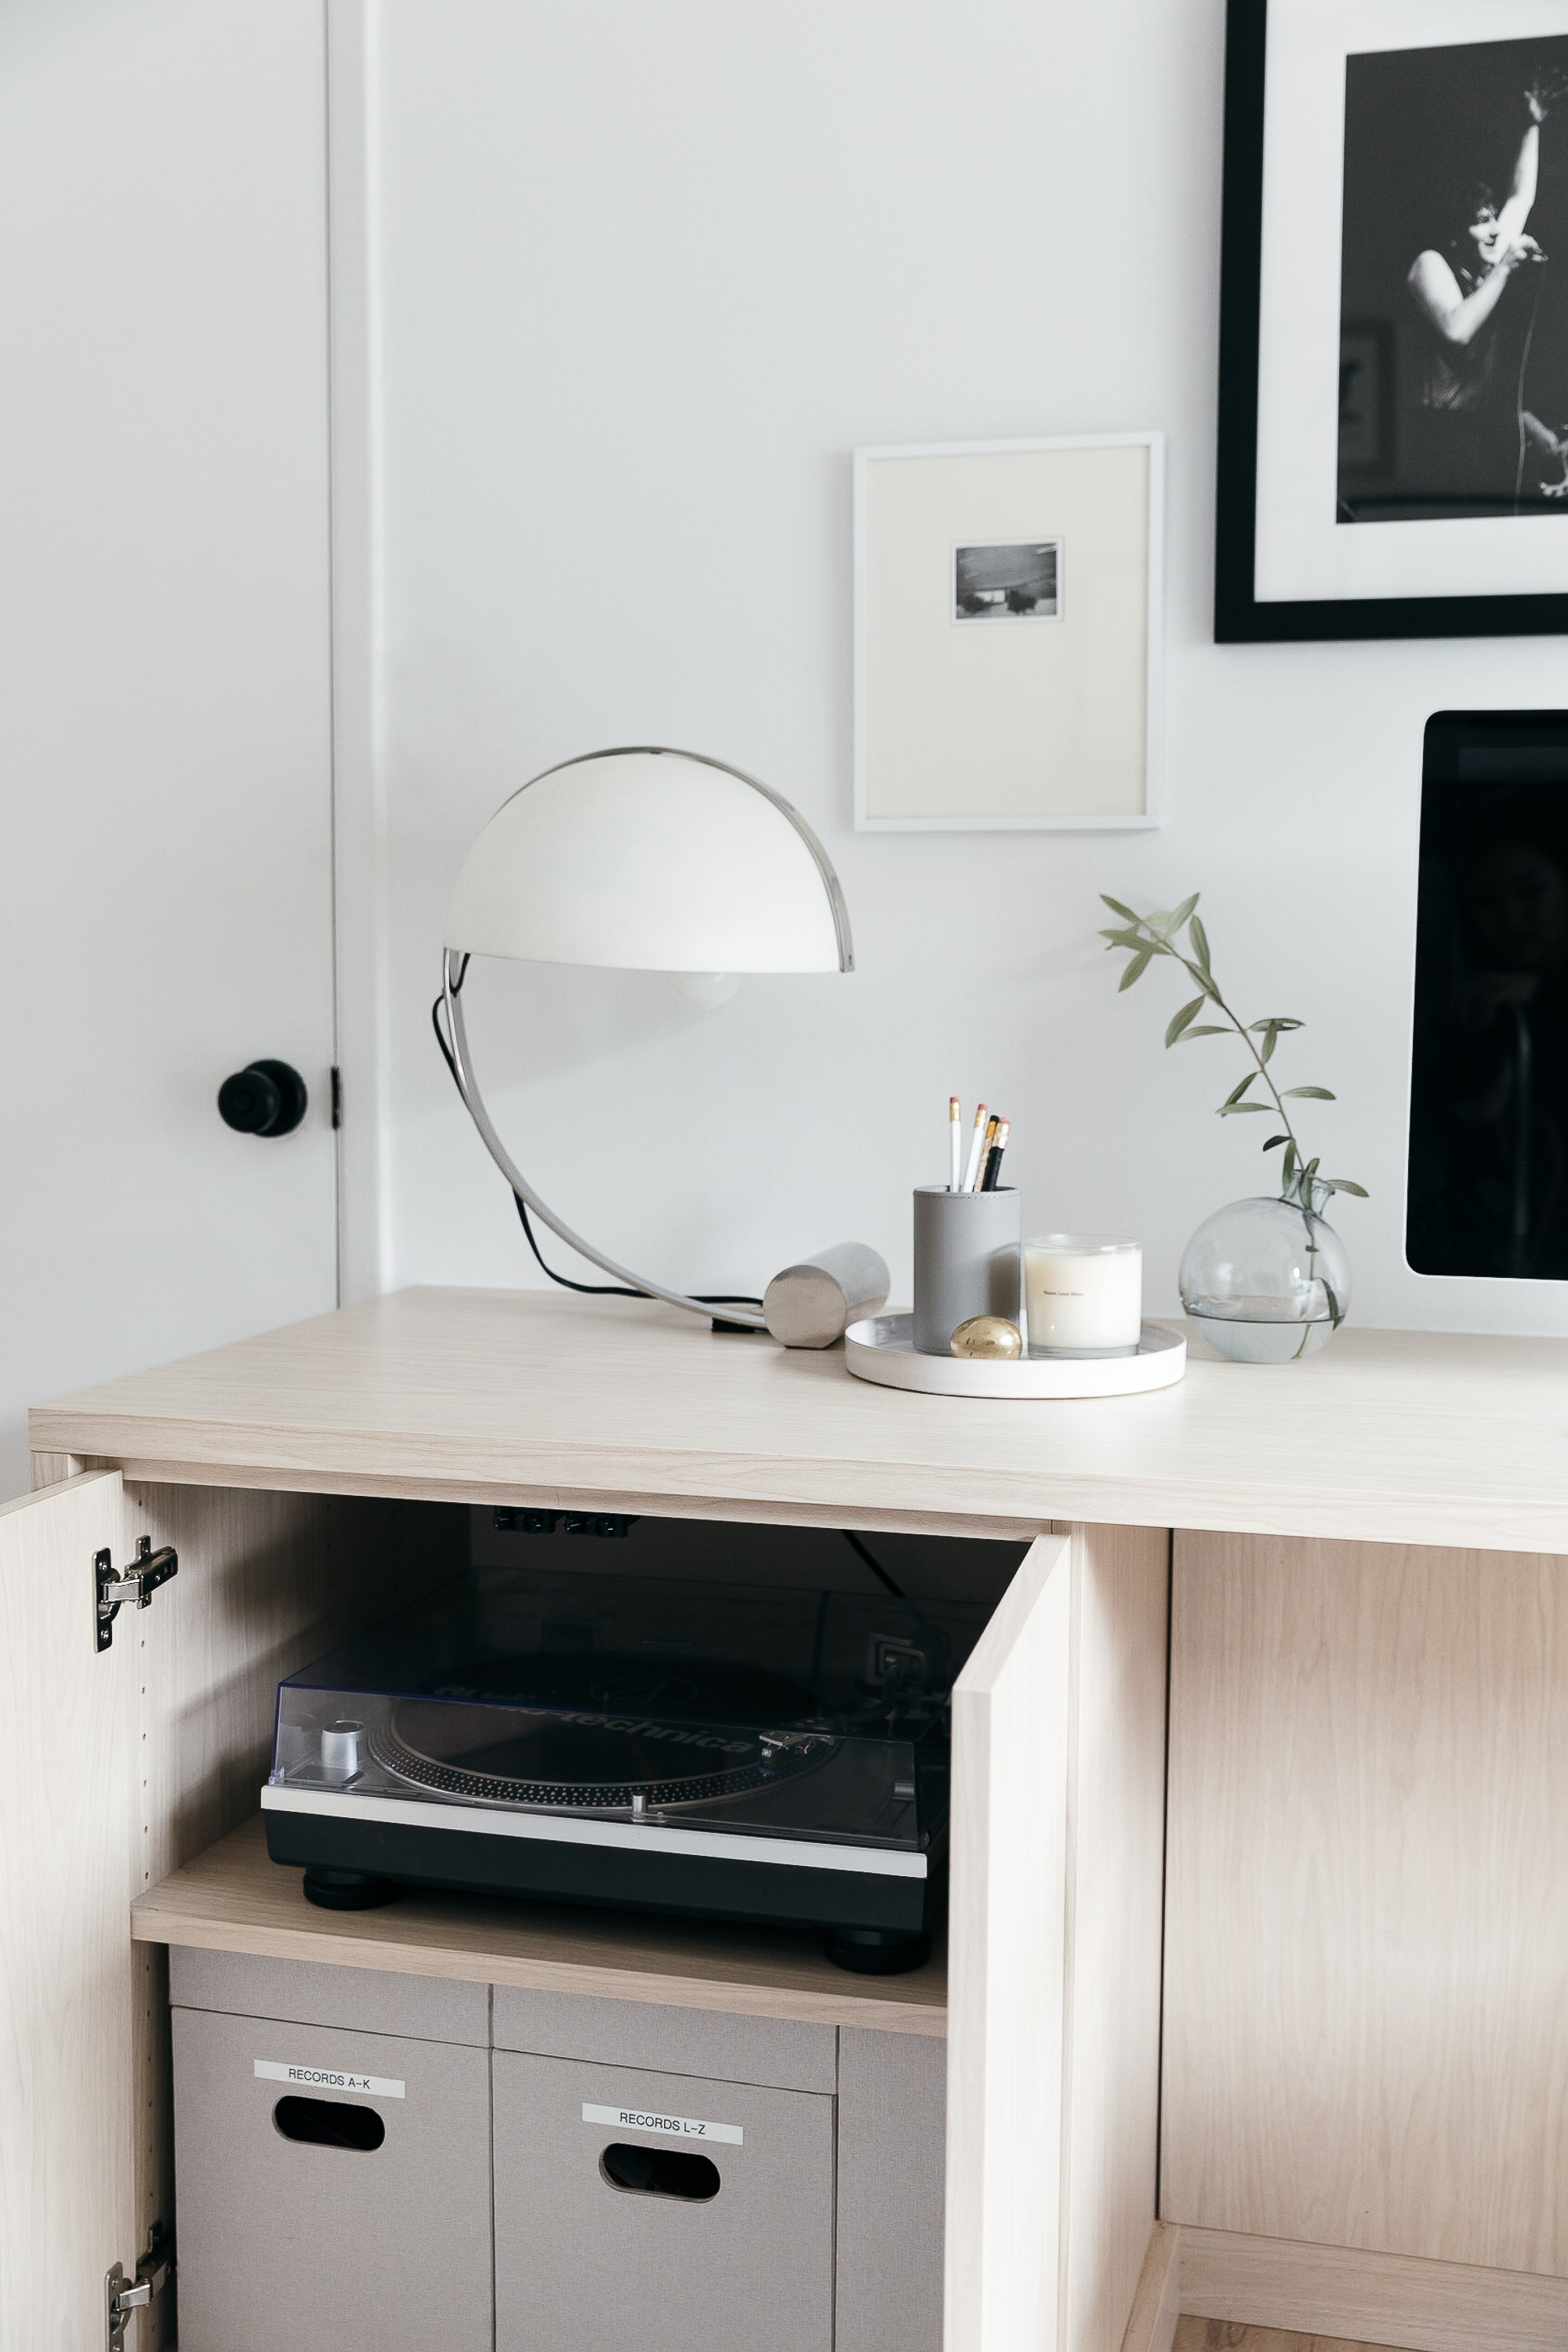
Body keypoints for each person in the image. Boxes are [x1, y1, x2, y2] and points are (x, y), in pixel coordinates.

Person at [1403, 82, 1562, 514]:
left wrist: (1533, 123)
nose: (1494, 229)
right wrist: (1507, 267)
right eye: (1480, 222)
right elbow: (1456, 329)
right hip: (1435, 434)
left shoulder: (1488, 260)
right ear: (1457, 233)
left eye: (1492, 219)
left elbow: (1521, 196)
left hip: (1478, 428)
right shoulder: (1430, 264)